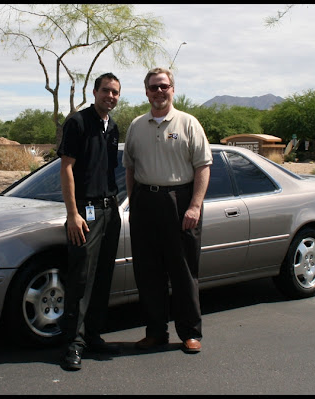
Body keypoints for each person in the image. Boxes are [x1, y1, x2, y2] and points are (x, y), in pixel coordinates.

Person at [123, 67, 212, 354]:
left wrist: (195, 205)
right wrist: (133, 200)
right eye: (153, 87)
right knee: (148, 272)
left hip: (180, 202)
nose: (159, 91)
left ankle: (190, 333)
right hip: (145, 203)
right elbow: (130, 168)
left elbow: (203, 167)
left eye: (164, 86)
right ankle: (155, 332)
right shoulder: (137, 125)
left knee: (183, 272)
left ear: (173, 89)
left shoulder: (188, 123)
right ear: (146, 91)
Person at [57, 72, 122, 371]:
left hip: (110, 210)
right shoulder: (78, 122)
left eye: (115, 93)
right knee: (81, 277)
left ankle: (93, 335)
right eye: (106, 91)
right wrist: (73, 213)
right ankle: (74, 343)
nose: (110, 96)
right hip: (87, 212)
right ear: (95, 91)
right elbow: (66, 169)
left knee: (102, 276)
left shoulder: (113, 127)